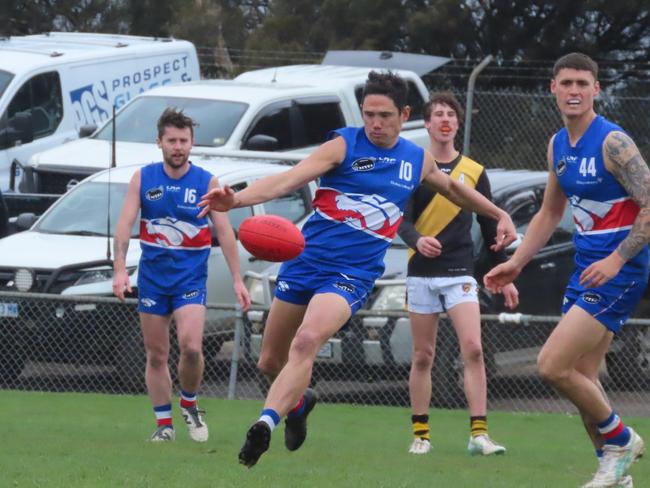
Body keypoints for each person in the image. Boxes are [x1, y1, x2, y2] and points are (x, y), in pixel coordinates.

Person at [198, 71, 517, 468]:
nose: (376, 124)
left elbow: (454, 188)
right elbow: (289, 179)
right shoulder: (343, 145)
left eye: (384, 115)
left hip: (352, 273)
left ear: (404, 115)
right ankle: (297, 407)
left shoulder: (416, 159)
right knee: (268, 361)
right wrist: (237, 198)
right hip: (306, 261)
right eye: (369, 114)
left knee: (307, 341)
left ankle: (264, 422)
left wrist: (497, 211)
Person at [484, 53, 649, 488]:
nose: (574, 91)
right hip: (586, 270)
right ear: (552, 89)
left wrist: (617, 260)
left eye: (582, 83)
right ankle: (615, 474)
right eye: (566, 83)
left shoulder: (614, 143)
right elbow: (549, 211)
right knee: (584, 380)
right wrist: (516, 263)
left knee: (552, 366)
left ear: (596, 89)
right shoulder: (558, 144)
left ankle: (622, 440)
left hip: (620, 271)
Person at [112, 108, 251, 442]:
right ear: (159, 142)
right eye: (171, 140)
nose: (178, 147)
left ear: (192, 143)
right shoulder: (143, 178)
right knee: (157, 354)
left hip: (190, 279)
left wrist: (236, 279)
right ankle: (164, 426)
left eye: (183, 140)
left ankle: (189, 403)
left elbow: (225, 233)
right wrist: (119, 270)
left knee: (190, 347)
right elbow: (125, 225)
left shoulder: (206, 182)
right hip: (153, 279)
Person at [398, 91, 518, 457]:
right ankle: (421, 435)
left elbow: (490, 225)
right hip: (421, 273)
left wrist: (506, 274)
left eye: (451, 113)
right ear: (428, 122)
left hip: (459, 271)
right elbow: (400, 222)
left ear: (457, 123)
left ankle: (479, 434)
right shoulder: (414, 166)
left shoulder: (475, 172)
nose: (445, 119)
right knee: (423, 356)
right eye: (438, 114)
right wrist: (418, 241)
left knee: (474, 349)